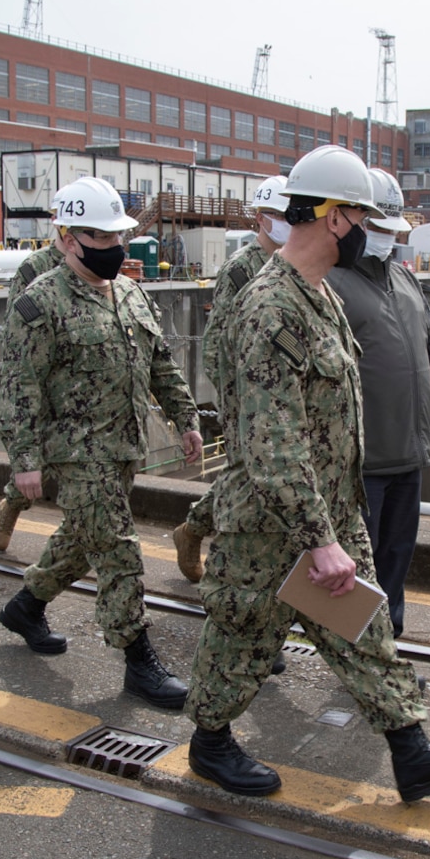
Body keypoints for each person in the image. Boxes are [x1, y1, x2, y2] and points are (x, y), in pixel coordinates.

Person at [183, 145, 430, 802]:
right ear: (332, 218)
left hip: (330, 510)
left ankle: (410, 753)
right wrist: (317, 538)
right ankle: (209, 743)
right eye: (362, 215)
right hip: (275, 524)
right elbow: (270, 443)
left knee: (364, 628)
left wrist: (335, 525)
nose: (369, 230)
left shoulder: (319, 295)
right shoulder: (270, 306)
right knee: (241, 636)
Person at [0, 177, 203, 709]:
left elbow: (160, 363)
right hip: (76, 450)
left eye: (117, 238)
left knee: (82, 537)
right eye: (99, 238)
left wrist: (185, 419)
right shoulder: (40, 304)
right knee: (117, 550)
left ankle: (26, 604)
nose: (113, 248)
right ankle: (139, 660)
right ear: (67, 238)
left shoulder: (131, 293)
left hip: (123, 445)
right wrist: (25, 461)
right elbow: (18, 389)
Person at [325, 168, 430, 638]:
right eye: (377, 228)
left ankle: (387, 639)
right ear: (355, 222)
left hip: (407, 454)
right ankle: (360, 650)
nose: (385, 239)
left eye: (391, 231)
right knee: (357, 565)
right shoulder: (332, 284)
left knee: (396, 558)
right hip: (360, 461)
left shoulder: (406, 284)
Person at [171, 174, 291, 583]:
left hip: (283, 398)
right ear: (260, 218)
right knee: (247, 477)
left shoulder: (296, 264)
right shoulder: (242, 269)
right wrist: (235, 405)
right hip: (248, 400)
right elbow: (218, 345)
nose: (285, 221)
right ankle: (207, 543)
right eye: (276, 214)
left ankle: (192, 530)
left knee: (249, 478)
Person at [0, 237, 69, 551]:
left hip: (75, 393)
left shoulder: (100, 269)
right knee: (38, 465)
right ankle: (12, 504)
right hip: (38, 387)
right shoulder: (35, 268)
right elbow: (17, 336)